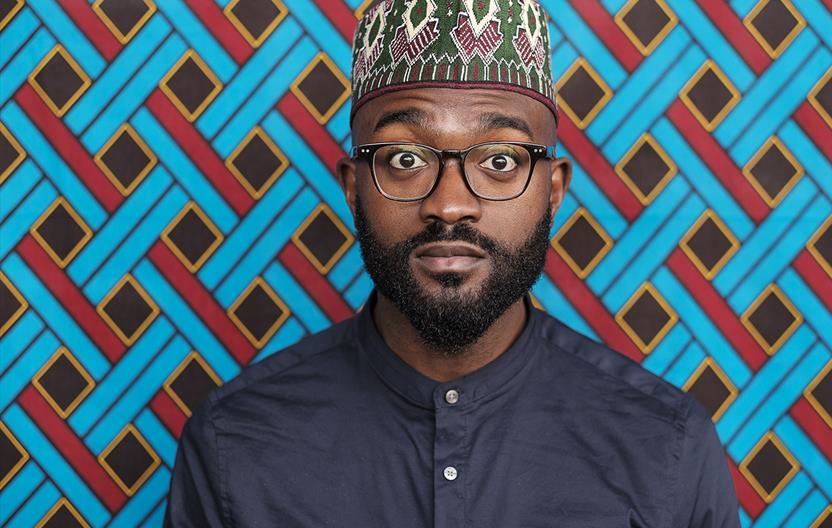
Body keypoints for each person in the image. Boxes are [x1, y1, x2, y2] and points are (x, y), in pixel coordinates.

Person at [165, 0, 741, 526]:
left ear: (553, 191)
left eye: (500, 161)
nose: (449, 204)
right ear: (353, 188)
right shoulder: (233, 443)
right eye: (405, 159)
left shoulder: (665, 445)